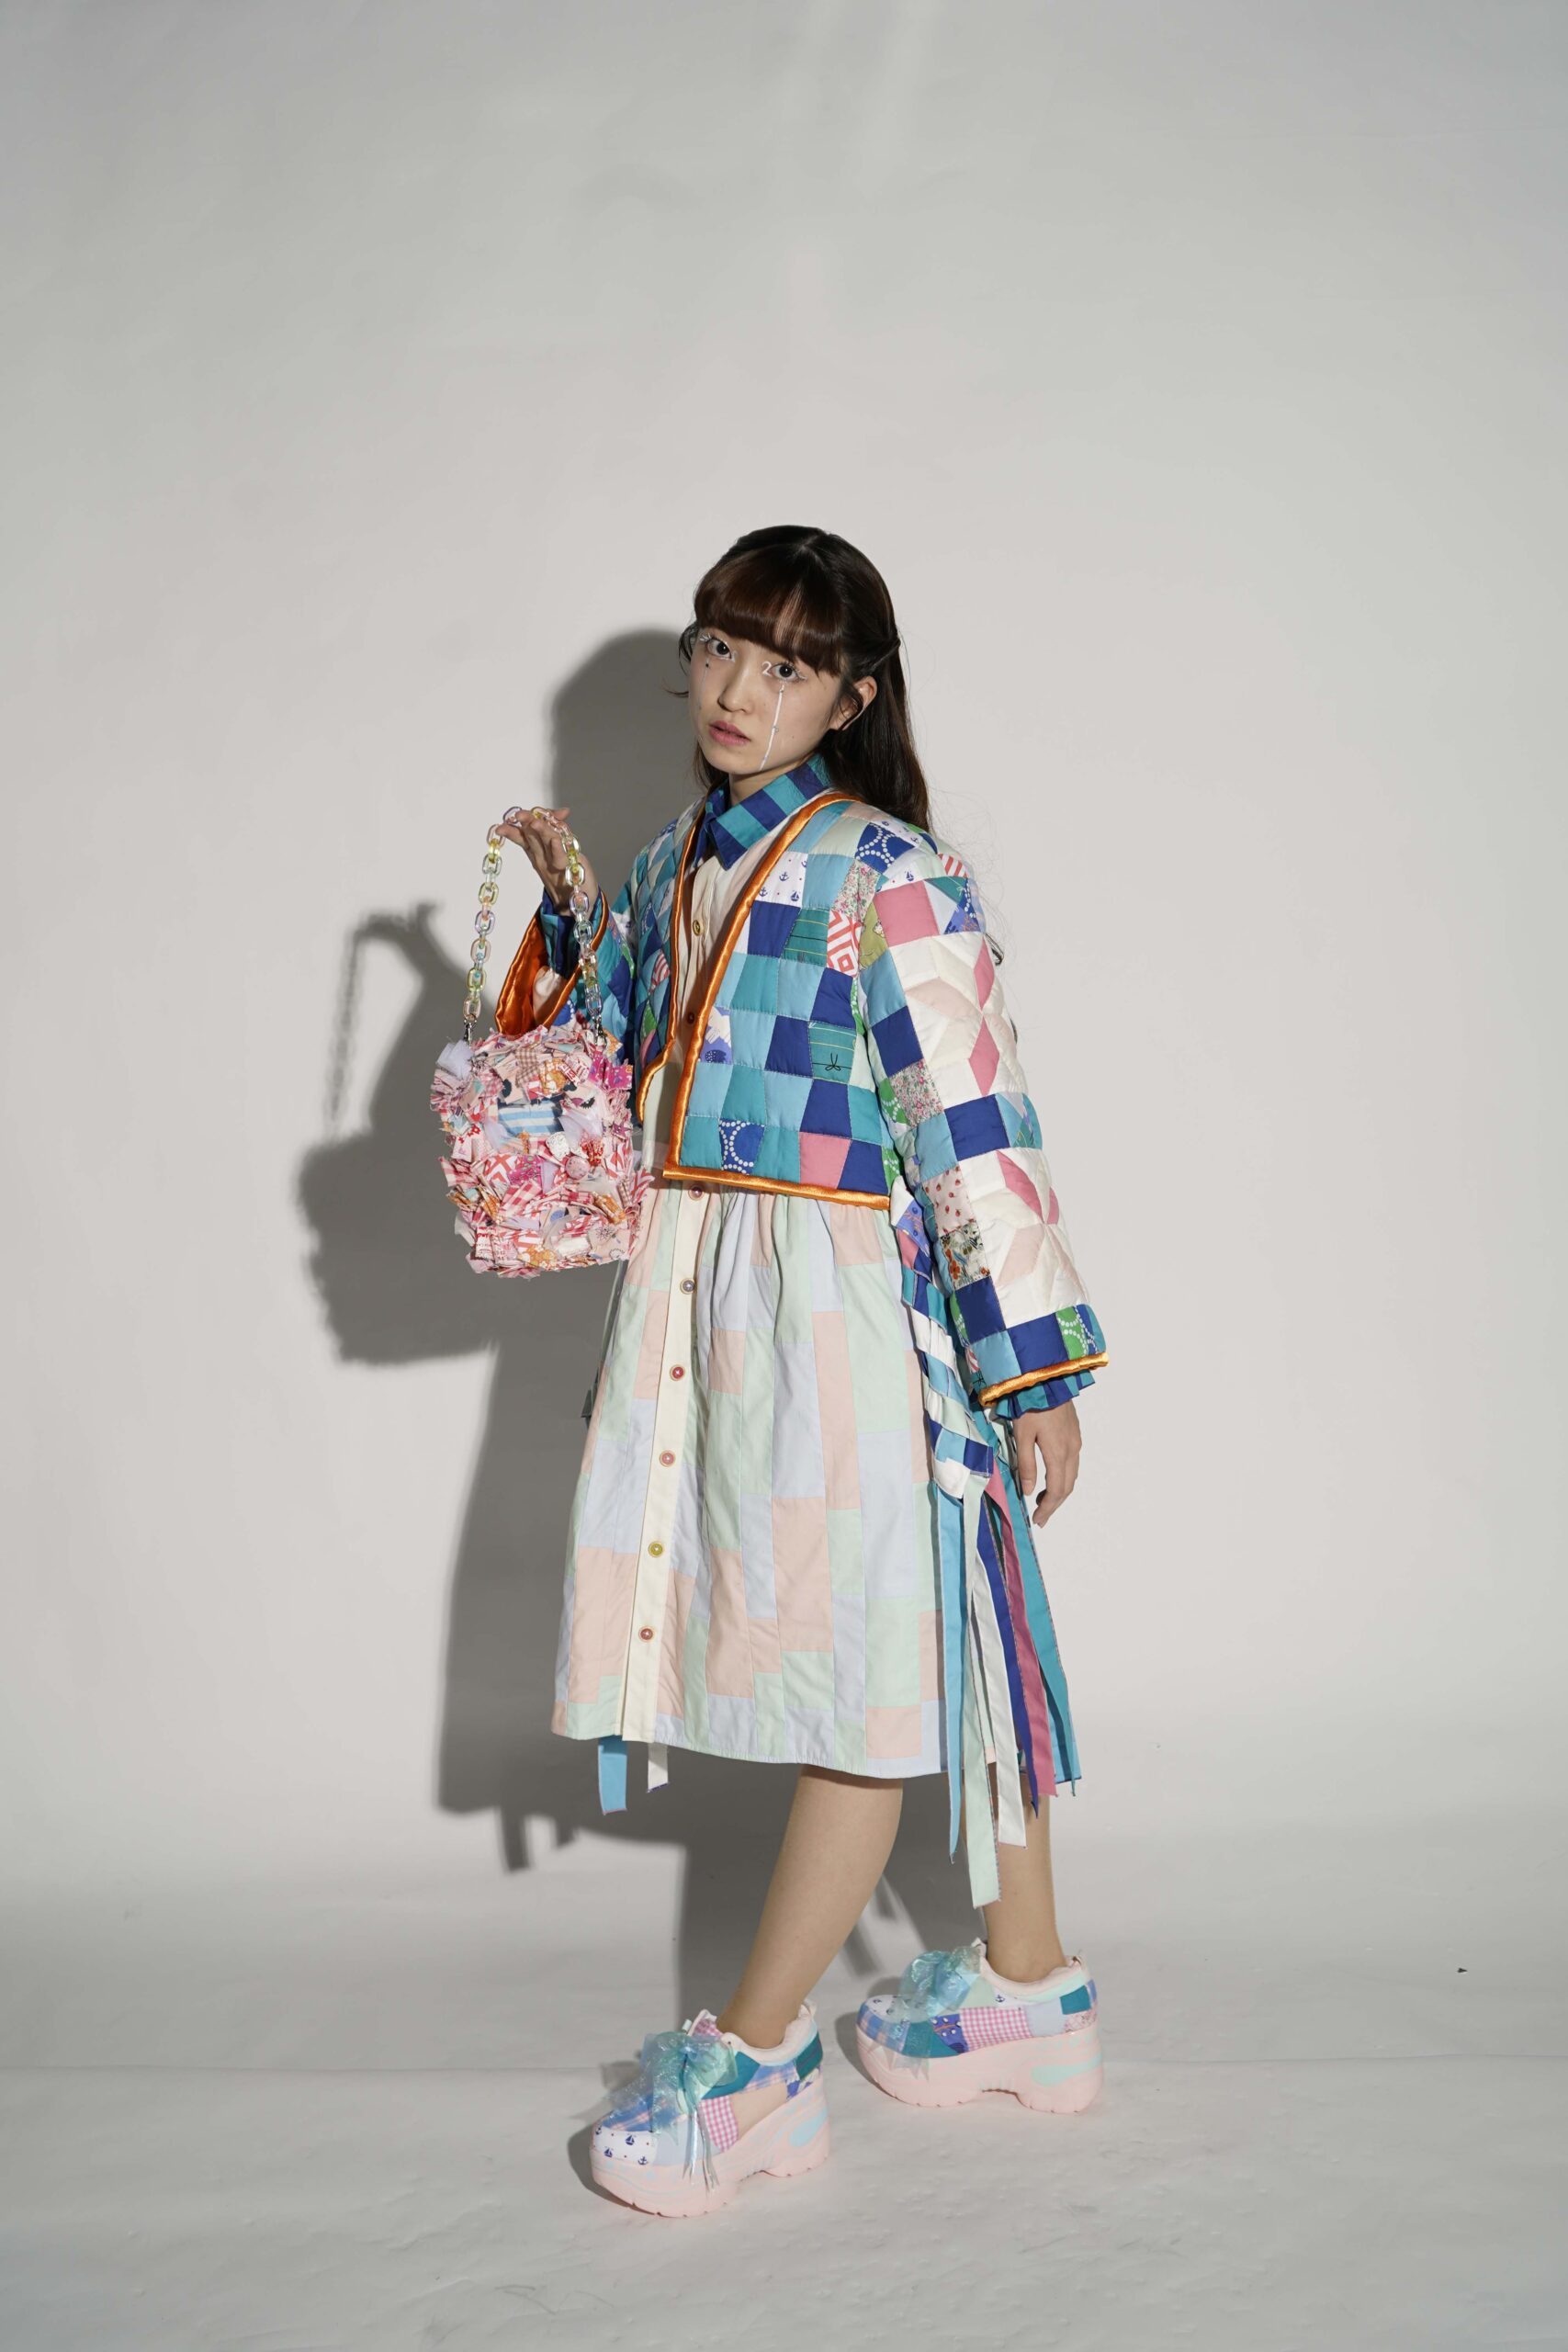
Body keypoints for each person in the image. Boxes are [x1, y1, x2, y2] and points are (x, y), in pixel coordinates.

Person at [492, 525, 1109, 2217]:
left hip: (839, 1309)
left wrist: (1030, 1366)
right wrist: (557, 942)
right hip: (707, 1300)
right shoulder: (667, 867)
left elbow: (970, 1120)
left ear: (852, 698)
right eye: (719, 648)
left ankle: (759, 2066)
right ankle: (1030, 1992)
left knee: (864, 1665)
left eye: (786, 665)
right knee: (937, 1631)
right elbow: (615, 1063)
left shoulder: (884, 873)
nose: (739, 690)